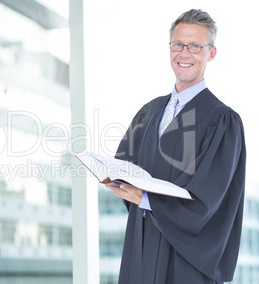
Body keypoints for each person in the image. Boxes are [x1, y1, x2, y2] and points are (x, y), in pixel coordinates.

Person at [106, 9, 246, 284]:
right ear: (169, 47)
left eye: (195, 46)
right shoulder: (149, 111)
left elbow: (209, 200)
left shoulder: (222, 121)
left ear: (211, 53)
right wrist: (113, 178)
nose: (185, 53)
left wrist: (146, 200)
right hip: (142, 250)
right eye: (178, 44)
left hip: (186, 263)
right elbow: (124, 166)